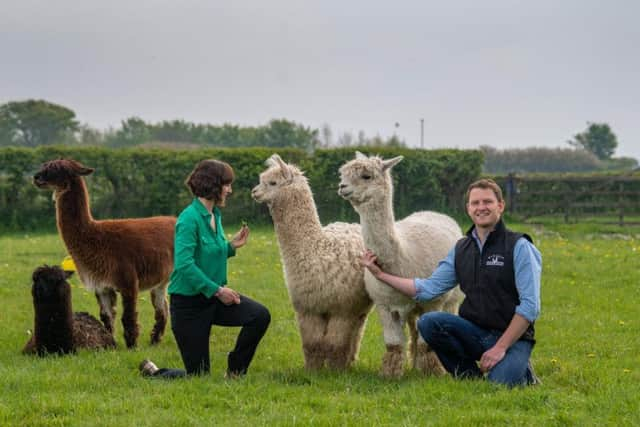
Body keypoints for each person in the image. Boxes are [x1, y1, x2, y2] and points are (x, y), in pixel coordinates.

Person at [360, 178, 541, 387]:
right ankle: (468, 375)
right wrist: (381, 275)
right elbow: (428, 289)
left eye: (487, 202)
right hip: (474, 331)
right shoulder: (461, 249)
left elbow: (530, 307)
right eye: (475, 203)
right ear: (468, 209)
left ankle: (522, 370)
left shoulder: (519, 246)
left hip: (511, 336)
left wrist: (500, 348)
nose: (481, 207)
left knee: (499, 385)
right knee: (429, 322)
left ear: (500, 206)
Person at [140, 159, 271, 379]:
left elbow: (207, 252)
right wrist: (219, 291)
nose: (230, 190)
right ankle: (154, 373)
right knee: (199, 376)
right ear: (213, 186)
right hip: (188, 307)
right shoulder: (188, 220)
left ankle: (235, 371)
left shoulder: (214, 216)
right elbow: (184, 264)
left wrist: (230, 247)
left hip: (212, 299)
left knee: (259, 316)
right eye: (226, 184)